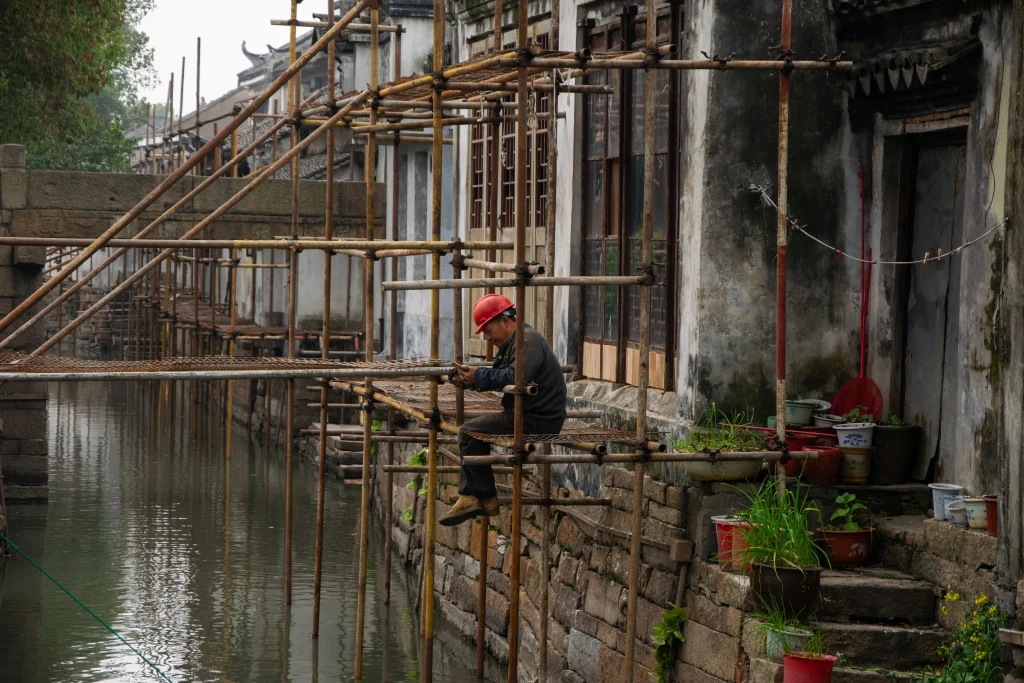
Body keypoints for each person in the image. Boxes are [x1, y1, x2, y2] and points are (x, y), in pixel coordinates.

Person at [439, 294, 567, 526]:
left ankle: (479, 498)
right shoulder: (514, 343)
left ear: (506, 321)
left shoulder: (527, 341)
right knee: (471, 432)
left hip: (538, 418)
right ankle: (479, 497)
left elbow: (514, 377)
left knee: (468, 432)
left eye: (488, 330)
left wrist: (479, 376)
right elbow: (496, 374)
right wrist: (471, 377)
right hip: (523, 414)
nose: (487, 338)